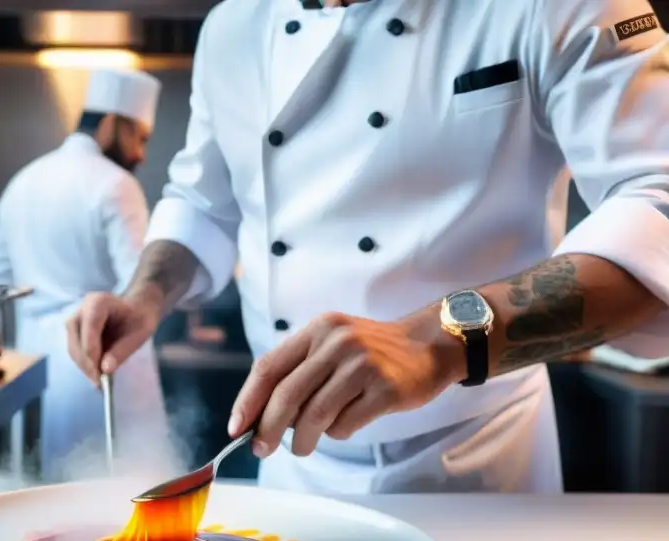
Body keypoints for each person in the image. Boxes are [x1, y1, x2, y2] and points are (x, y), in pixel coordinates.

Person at [66, 0, 669, 495]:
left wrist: (435, 343)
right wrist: (144, 294)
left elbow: (658, 200)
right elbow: (203, 202)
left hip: (480, 459)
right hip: (295, 469)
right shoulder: (233, 27)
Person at [0, 68, 169, 481]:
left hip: (37, 368)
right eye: (139, 138)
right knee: (128, 499)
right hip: (104, 365)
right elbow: (141, 283)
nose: (141, 154)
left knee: (56, 505)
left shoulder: (22, 181)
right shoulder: (116, 184)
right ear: (110, 124)